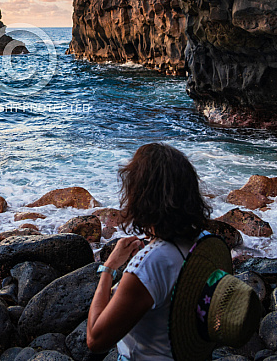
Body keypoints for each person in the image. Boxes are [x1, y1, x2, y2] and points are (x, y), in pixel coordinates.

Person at [86, 142, 212, 360]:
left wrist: (108, 268)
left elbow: (95, 340)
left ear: (142, 197)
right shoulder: (205, 242)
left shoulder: (151, 263)